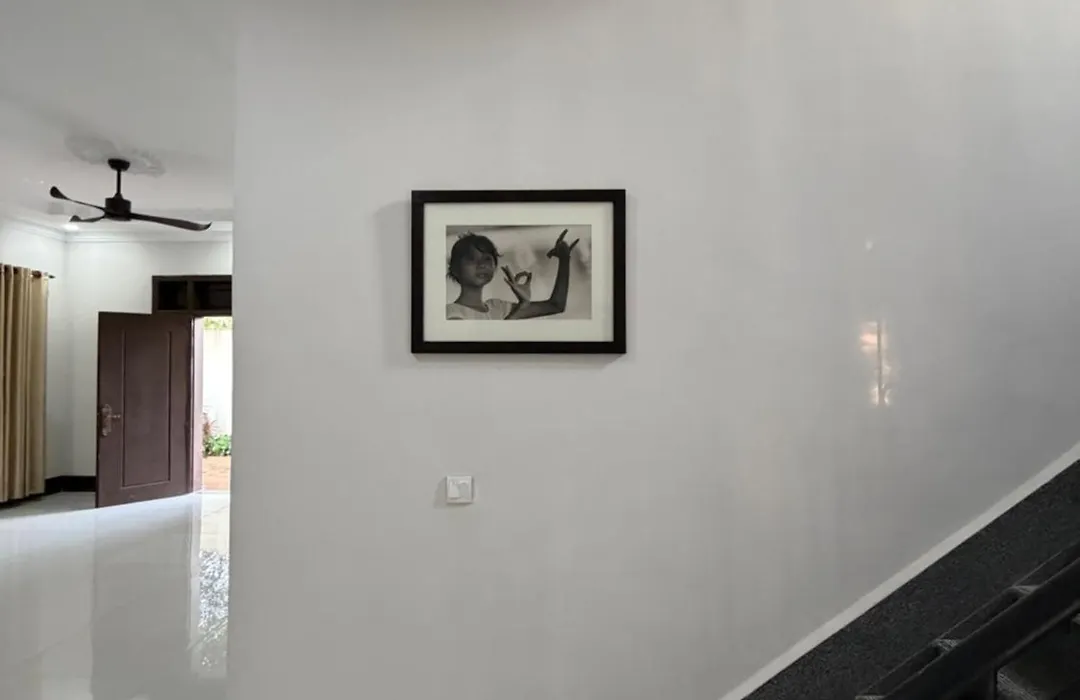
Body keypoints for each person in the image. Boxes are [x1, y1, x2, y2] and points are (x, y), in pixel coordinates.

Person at [446, 229, 580, 320]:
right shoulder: (453, 314)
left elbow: (556, 305)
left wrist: (564, 259)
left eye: (487, 259)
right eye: (471, 259)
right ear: (455, 269)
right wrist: (521, 309)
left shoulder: (497, 307)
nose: (482, 264)